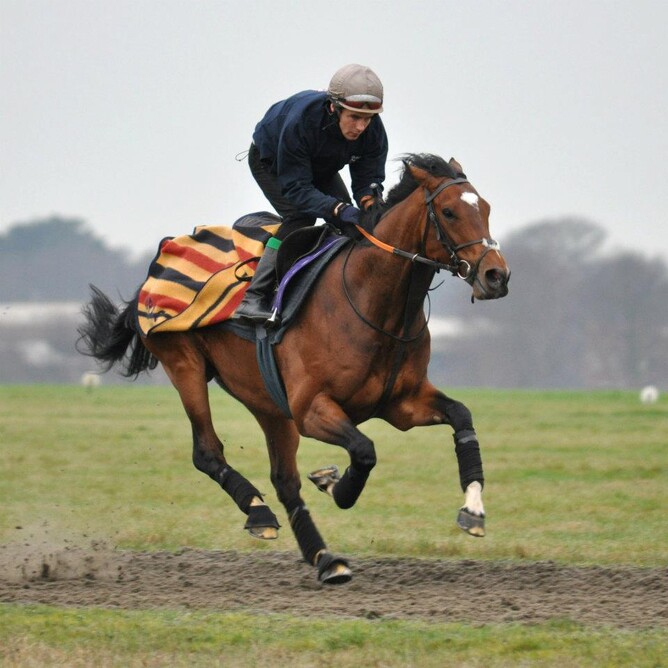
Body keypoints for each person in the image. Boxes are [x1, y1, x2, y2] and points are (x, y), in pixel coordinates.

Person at [234, 63, 389, 325]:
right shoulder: (301, 123)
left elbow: (368, 179)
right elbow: (297, 188)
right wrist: (337, 208)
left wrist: (369, 203)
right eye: (354, 118)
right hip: (272, 160)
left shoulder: (373, 131)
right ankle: (254, 297)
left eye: (368, 119)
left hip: (321, 164)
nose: (361, 127)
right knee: (301, 216)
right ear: (333, 107)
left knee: (351, 227)